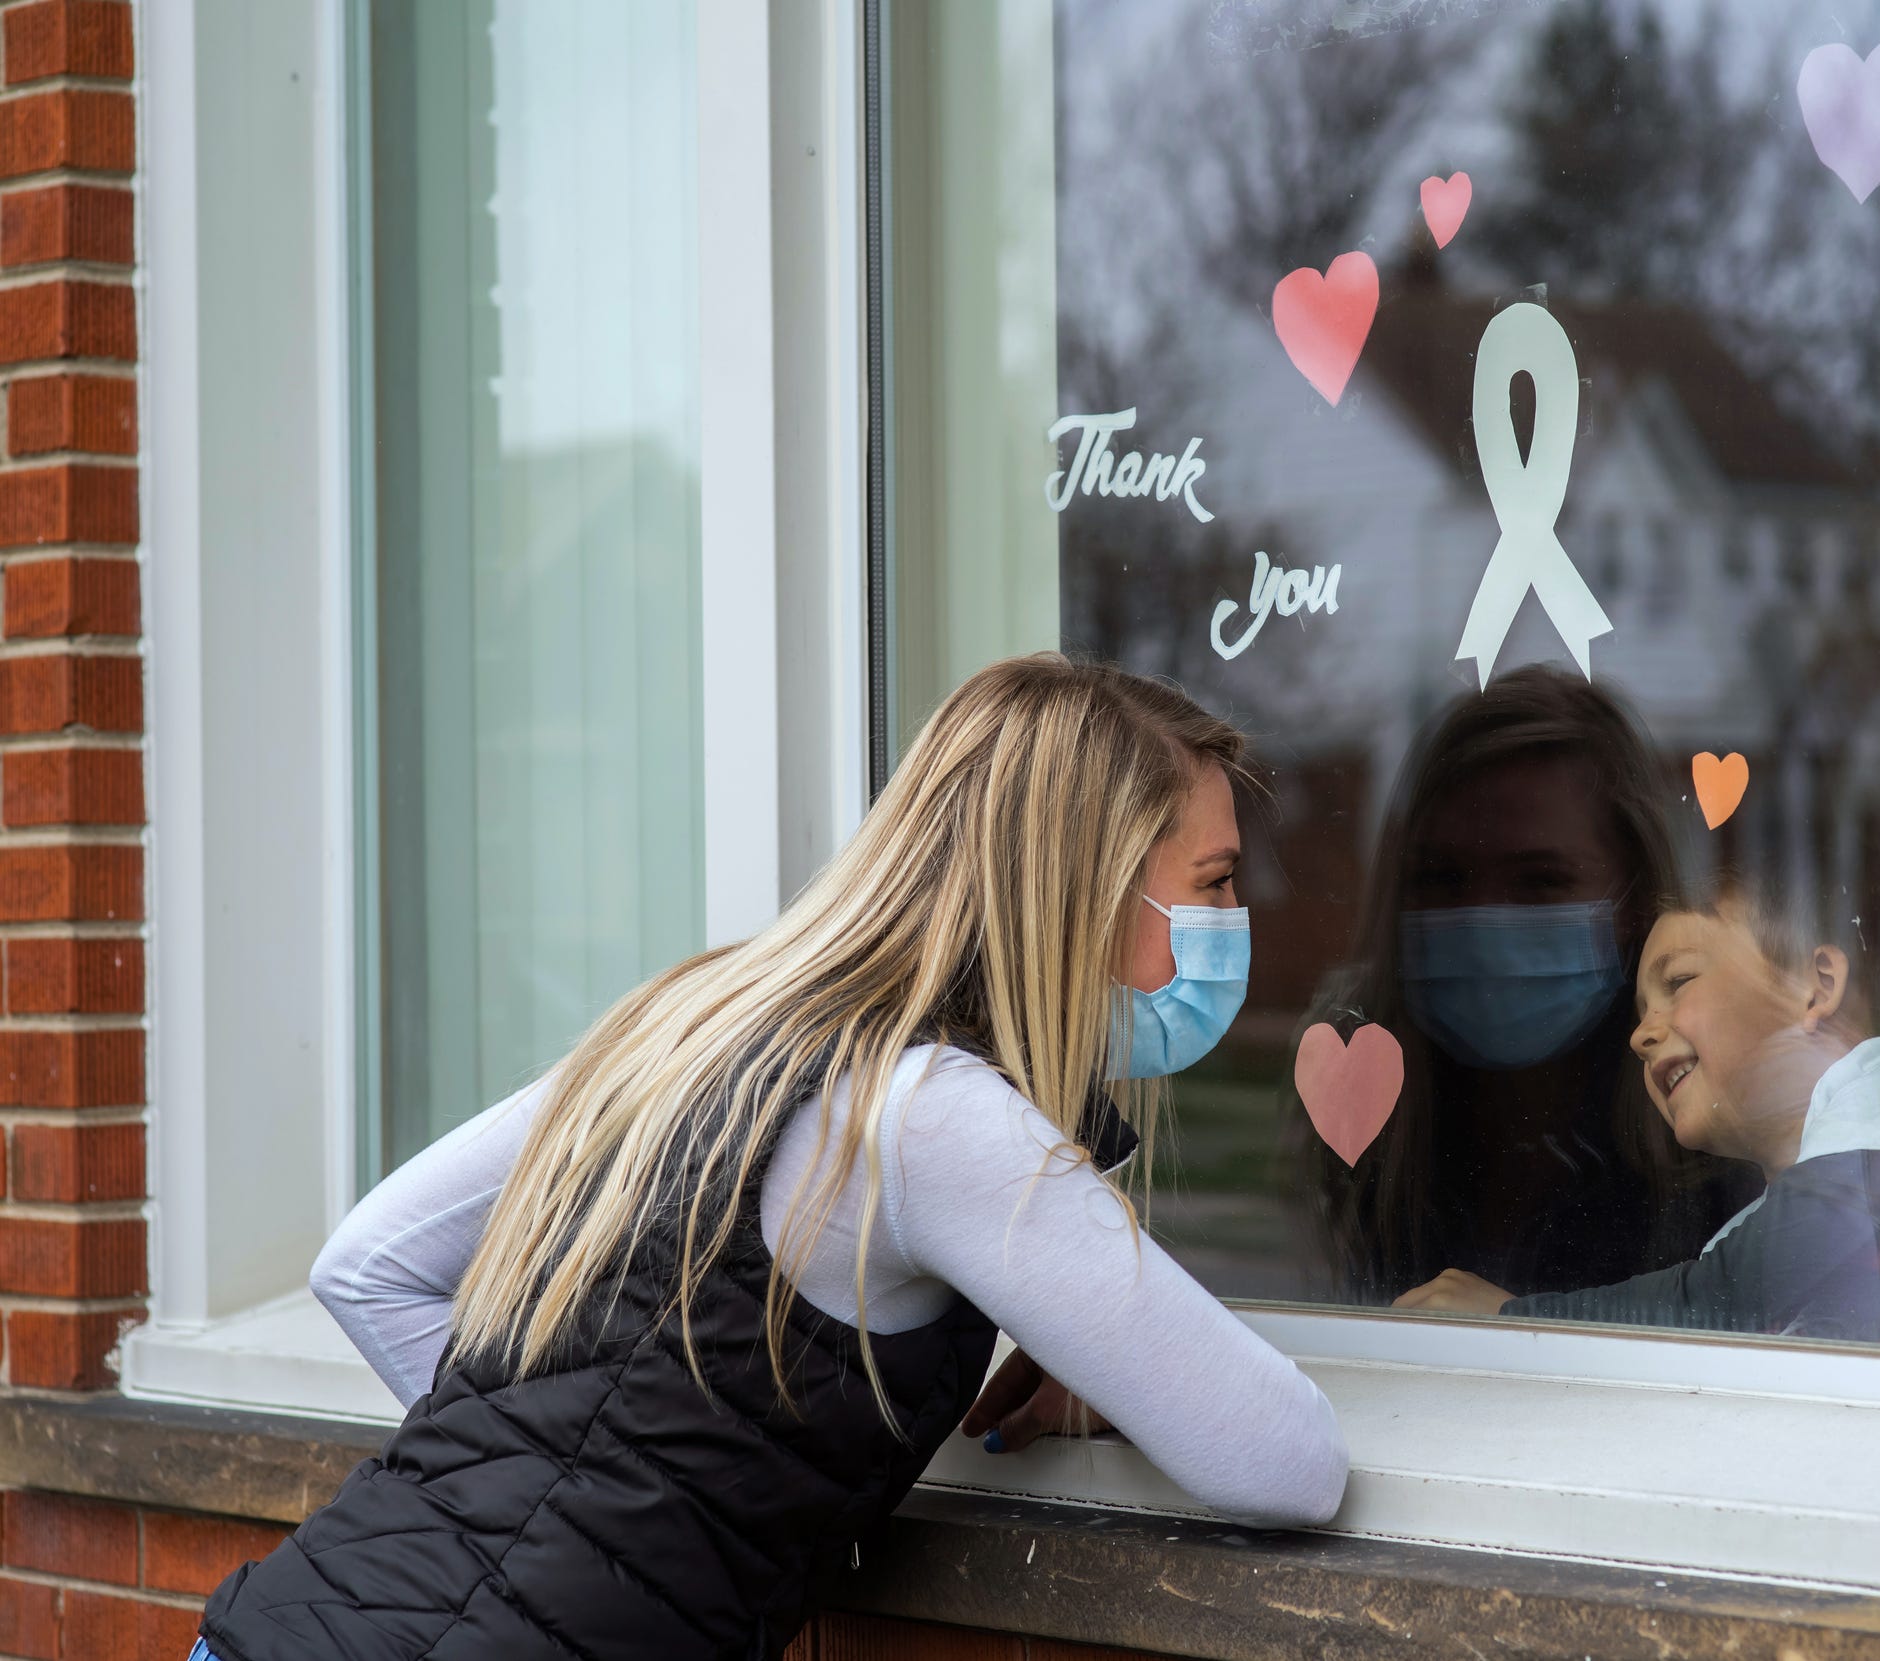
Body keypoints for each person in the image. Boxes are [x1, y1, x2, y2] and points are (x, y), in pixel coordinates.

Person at [194, 655, 1349, 1661]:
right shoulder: (931, 1116)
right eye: (1215, 881)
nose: (1240, 916)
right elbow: (1286, 1461)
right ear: (1080, 885)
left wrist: (572, 1493)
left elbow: (367, 1260)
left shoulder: (699, 1024)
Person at [1397, 875, 1880, 1367]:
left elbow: (1759, 1281)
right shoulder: (1749, 1249)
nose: (1643, 1031)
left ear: (1816, 985)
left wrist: (1511, 1318)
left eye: (1678, 981)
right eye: (1639, 1011)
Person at [1299, 668, 1755, 1306]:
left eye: (1541, 881)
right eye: (1444, 877)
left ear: (1634, 904)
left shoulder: (1721, 1149)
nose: (1485, 923)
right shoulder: (1362, 1123)